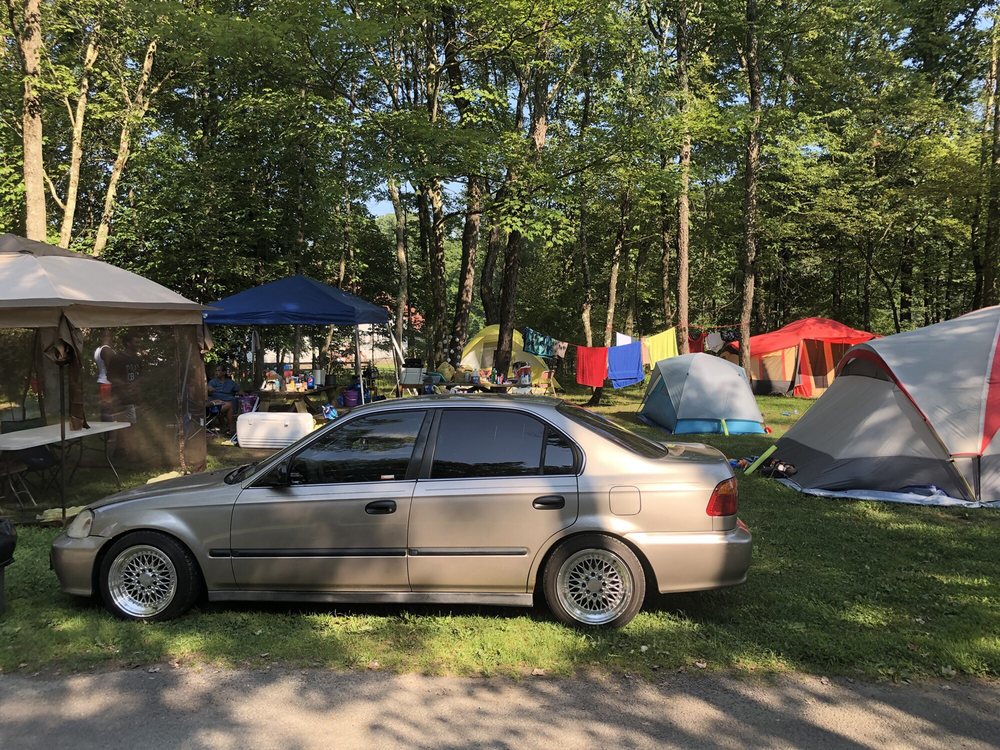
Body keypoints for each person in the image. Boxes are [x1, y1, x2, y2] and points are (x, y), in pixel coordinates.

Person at [207, 365, 240, 433]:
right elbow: (208, 389)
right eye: (216, 371)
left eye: (218, 370)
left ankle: (225, 427)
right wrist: (209, 389)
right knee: (229, 405)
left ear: (224, 372)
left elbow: (239, 390)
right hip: (215, 406)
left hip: (226, 404)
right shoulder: (213, 382)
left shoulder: (230, 382)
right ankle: (231, 428)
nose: (216, 372)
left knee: (232, 404)